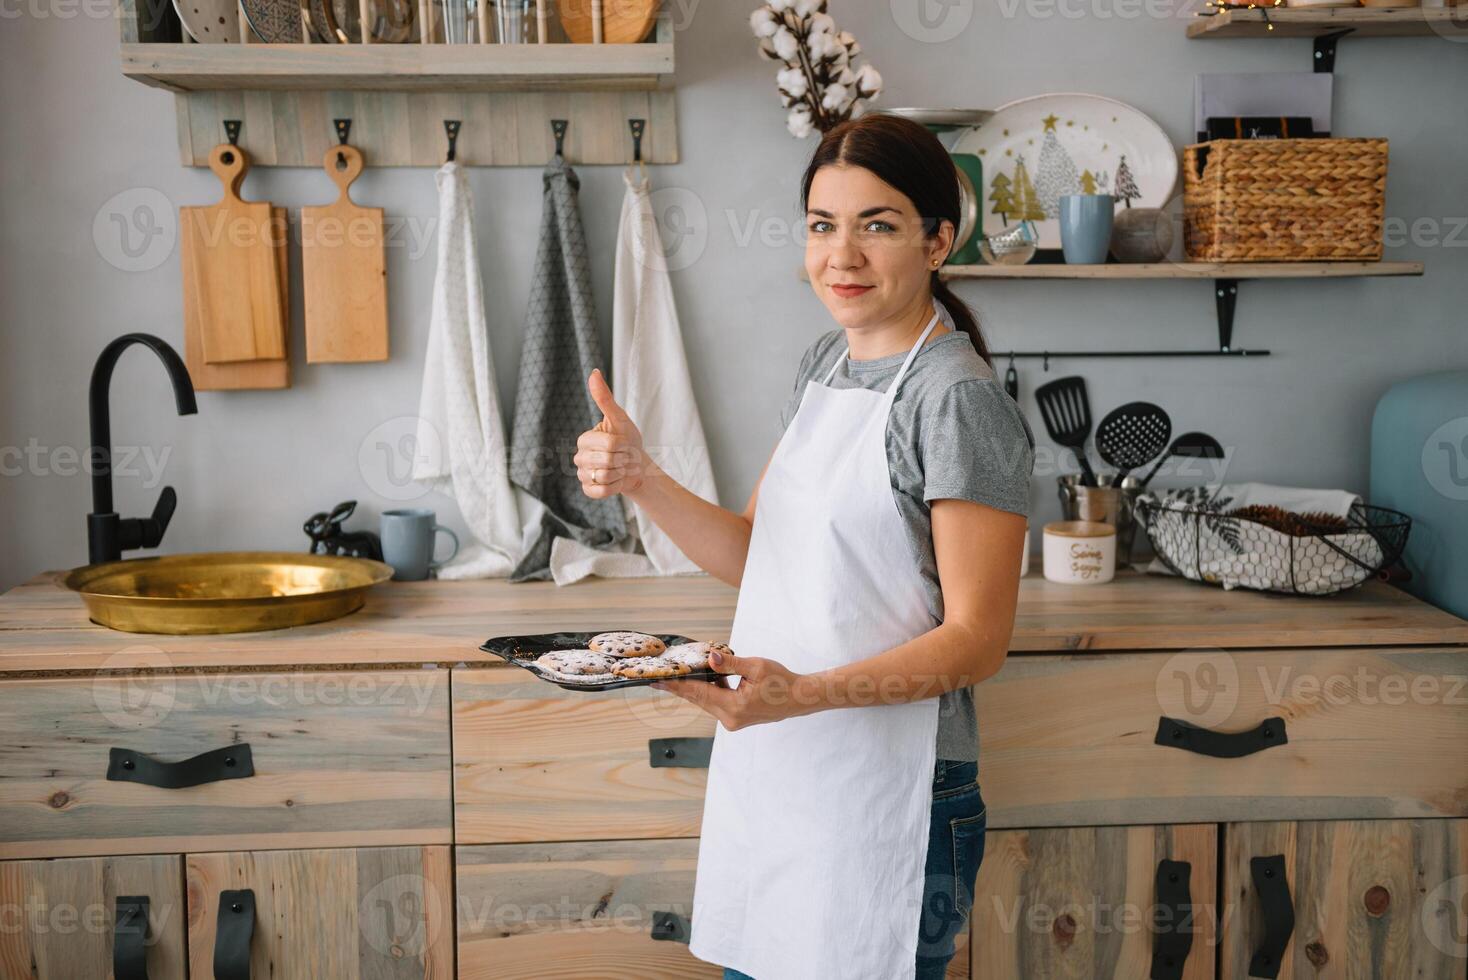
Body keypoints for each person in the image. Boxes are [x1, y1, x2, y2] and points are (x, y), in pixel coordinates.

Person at [573, 112, 1035, 979]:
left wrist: (805, 693)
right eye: (824, 225)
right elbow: (758, 555)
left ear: (939, 241)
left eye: (879, 226)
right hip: (785, 768)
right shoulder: (826, 361)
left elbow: (979, 641)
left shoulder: (956, 401)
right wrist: (641, 476)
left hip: (895, 797)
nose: (843, 256)